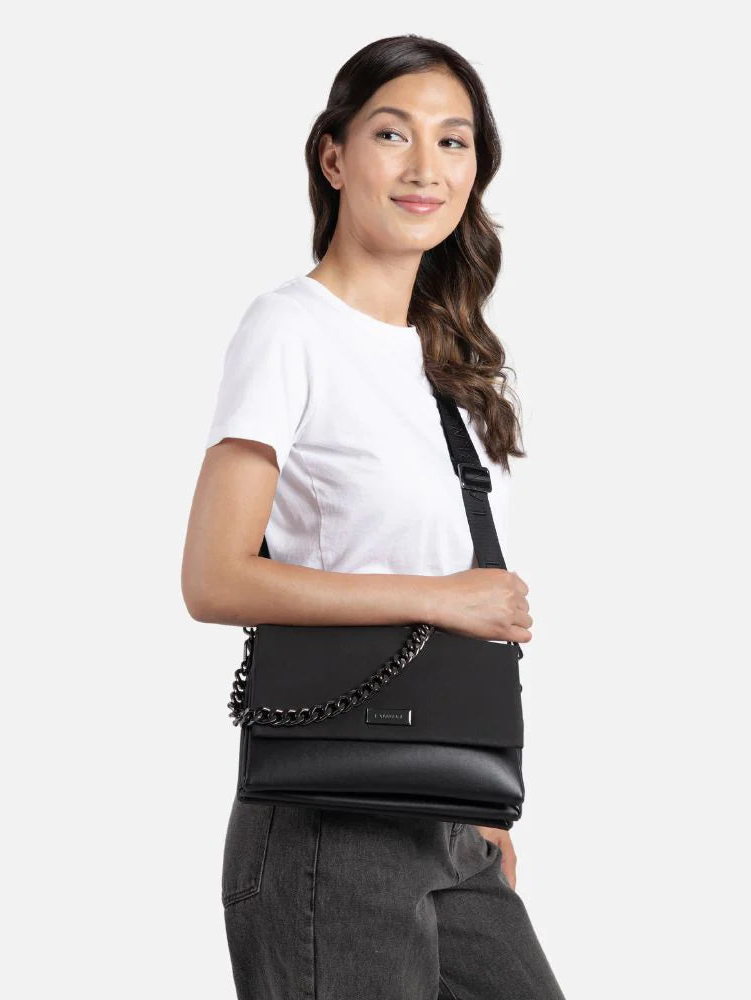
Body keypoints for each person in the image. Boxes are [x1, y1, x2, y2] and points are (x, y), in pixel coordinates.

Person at [181, 34, 566, 1000]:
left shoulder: (445, 364)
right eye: (393, 134)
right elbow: (214, 577)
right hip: (331, 824)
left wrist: (479, 805)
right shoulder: (290, 329)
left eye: (454, 141)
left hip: (446, 810)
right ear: (334, 157)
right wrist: (441, 597)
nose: (426, 166)